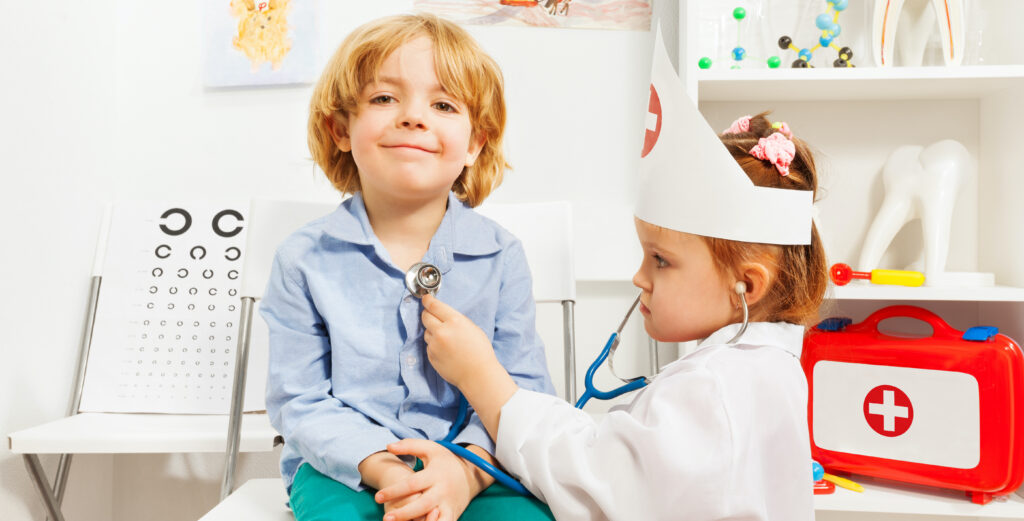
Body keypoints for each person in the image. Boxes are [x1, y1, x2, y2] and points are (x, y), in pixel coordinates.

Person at [379, 110, 827, 520]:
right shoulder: (769, 369)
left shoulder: (712, 388)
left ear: (745, 285)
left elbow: (597, 484)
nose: (639, 277)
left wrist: (481, 378)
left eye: (661, 260)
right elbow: (626, 459)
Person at [260, 13, 556, 521]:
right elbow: (299, 400)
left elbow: (524, 389)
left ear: (475, 144)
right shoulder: (303, 259)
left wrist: (464, 473)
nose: (413, 117)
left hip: (480, 466)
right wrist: (384, 468)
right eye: (383, 98)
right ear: (341, 130)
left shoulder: (502, 256)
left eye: (442, 104)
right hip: (349, 469)